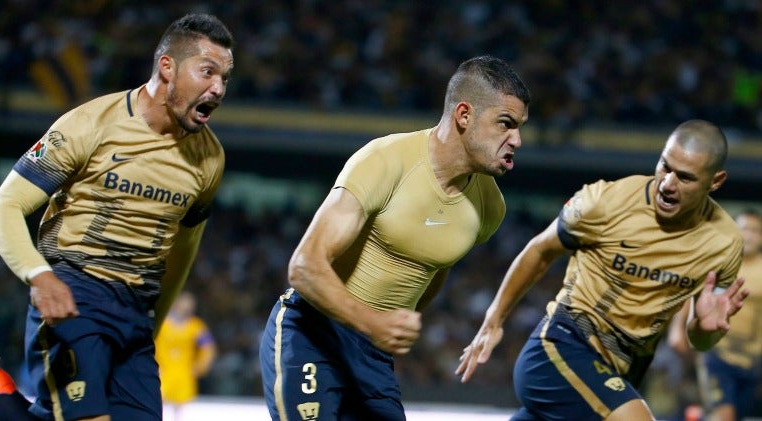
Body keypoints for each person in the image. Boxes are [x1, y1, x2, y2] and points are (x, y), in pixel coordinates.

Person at [258, 55, 531, 420]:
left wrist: (396, 323)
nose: (517, 139)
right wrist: (373, 322)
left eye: (519, 127)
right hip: (310, 334)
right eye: (506, 124)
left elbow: (438, 265)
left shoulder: (489, 208)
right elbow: (304, 266)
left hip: (371, 354)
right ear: (464, 115)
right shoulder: (385, 161)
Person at [0, 13, 233, 421]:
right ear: (167, 67)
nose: (218, 88)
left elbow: (184, 248)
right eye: (208, 71)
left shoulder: (209, 158)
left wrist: (157, 318)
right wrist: (39, 274)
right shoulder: (89, 125)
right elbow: (5, 205)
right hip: (76, 292)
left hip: (136, 312)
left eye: (225, 78)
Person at [456, 119, 750, 421]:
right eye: (665, 166)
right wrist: (494, 319)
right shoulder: (606, 202)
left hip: (625, 369)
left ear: (715, 181)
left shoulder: (724, 243)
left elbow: (699, 340)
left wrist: (703, 327)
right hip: (563, 347)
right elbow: (540, 250)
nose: (667, 184)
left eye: (685, 178)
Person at [668, 209, 762, 421]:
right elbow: (690, 294)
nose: (749, 235)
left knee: (737, 415)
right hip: (717, 355)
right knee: (724, 416)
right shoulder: (719, 265)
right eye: (744, 229)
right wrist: (678, 330)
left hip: (753, 362)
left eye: (755, 230)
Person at [155, 291, 217, 421]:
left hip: (184, 376)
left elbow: (208, 349)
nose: (187, 308)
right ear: (176, 304)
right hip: (162, 374)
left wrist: (200, 367)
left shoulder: (196, 326)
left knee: (181, 413)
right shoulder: (162, 324)